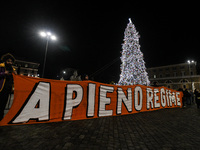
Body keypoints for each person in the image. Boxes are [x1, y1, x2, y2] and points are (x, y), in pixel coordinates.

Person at [0, 53, 17, 121]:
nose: (10, 62)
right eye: (8, 61)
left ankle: (1, 118)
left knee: (3, 105)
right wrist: (4, 73)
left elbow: (16, 79)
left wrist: (16, 75)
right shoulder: (1, 67)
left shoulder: (13, 69)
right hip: (1, 89)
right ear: (5, 61)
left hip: (8, 90)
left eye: (11, 61)